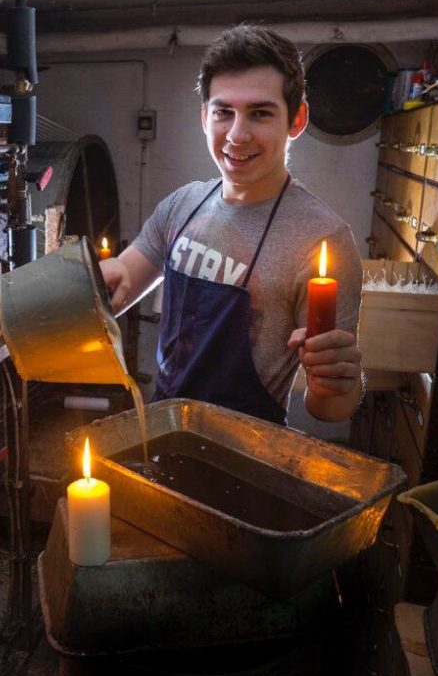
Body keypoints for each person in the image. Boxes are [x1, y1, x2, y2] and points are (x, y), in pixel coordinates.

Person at [101, 25, 363, 425]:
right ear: (205, 116)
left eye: (260, 113)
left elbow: (329, 409)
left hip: (247, 459)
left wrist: (342, 380)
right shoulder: (182, 205)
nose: (237, 135)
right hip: (162, 430)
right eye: (224, 112)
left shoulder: (323, 240)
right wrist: (87, 280)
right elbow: (120, 282)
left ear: (297, 119)